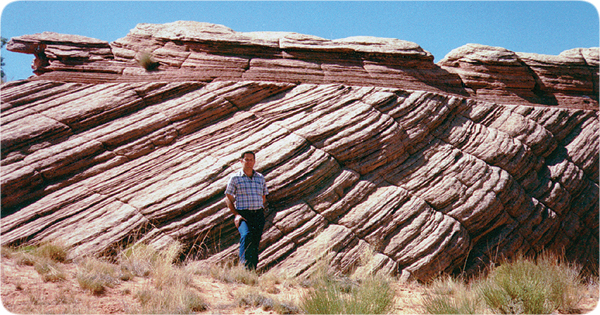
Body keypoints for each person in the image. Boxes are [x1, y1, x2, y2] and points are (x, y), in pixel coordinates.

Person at [225, 150, 268, 270]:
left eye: (251, 159)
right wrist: (236, 215)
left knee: (255, 242)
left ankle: (252, 271)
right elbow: (228, 198)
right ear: (241, 161)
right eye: (246, 159)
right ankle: (243, 267)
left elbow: (263, 197)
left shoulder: (260, 178)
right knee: (246, 235)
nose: (249, 162)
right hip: (243, 214)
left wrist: (257, 207)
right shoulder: (235, 178)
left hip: (258, 214)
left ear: (254, 161)